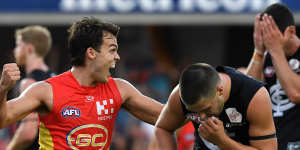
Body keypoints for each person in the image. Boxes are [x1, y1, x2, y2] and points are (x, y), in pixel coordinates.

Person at [0, 16, 163, 150]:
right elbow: (3, 119)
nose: (117, 57)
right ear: (91, 53)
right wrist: (3, 89)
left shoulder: (121, 89)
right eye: (112, 50)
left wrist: (184, 96)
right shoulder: (46, 91)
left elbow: (169, 116)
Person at [155, 63, 277, 150]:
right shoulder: (180, 95)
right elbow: (163, 128)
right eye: (194, 112)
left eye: (206, 109)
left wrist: (222, 141)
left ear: (219, 90)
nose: (201, 117)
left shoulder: (254, 96)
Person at [246, 3, 300, 150]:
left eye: (272, 35)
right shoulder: (266, 54)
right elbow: (248, 95)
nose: (268, 40)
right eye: (264, 35)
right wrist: (258, 51)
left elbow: (296, 93)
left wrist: (275, 50)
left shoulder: (274, 50)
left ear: (291, 31)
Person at [5, 25, 55, 150]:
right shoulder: (56, 78)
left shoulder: (29, 83)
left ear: (29, 49)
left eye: (18, 45)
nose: (15, 50)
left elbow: (28, 133)